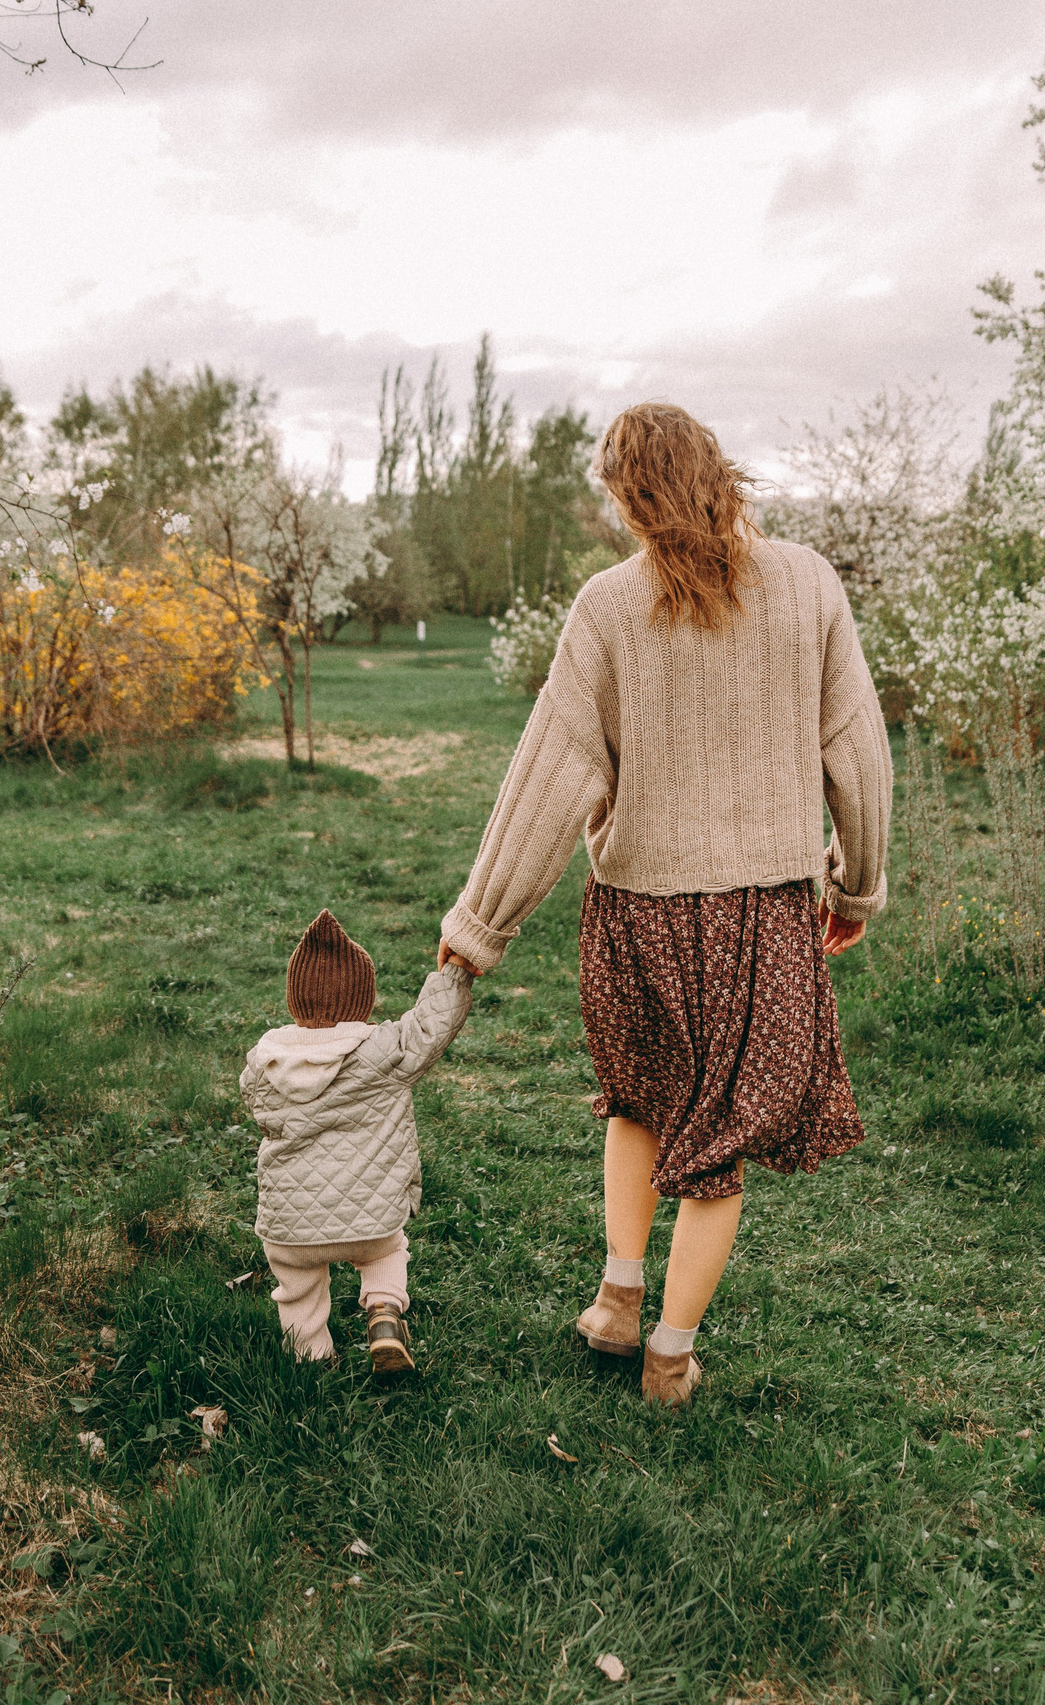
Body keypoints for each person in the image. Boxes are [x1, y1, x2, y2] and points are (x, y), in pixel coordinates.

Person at [437, 402, 890, 1408]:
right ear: (721, 473)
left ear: (625, 498)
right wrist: (856, 880)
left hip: (637, 911)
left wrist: (478, 927)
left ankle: (615, 1301)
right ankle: (668, 1355)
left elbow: (549, 776)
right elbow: (857, 751)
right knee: (718, 1138)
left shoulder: (606, 607)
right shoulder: (809, 586)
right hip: (763, 915)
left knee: (642, 1102)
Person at [241, 909, 473, 1373]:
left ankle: (310, 1356)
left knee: (298, 1282)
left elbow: (256, 1108)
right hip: (372, 1218)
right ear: (363, 1000)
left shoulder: (263, 1063)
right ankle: (384, 1316)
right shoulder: (385, 1050)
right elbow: (431, 1026)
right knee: (389, 1250)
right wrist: (456, 969)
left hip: (290, 1224)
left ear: (295, 1003)